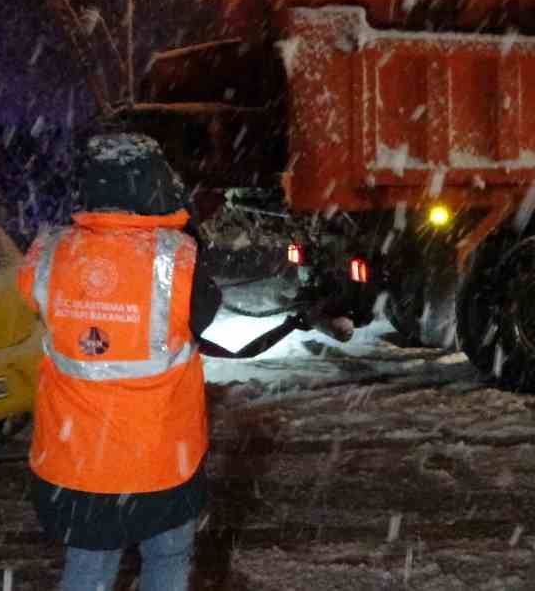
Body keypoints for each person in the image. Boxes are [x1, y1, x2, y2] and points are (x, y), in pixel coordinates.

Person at [22, 133, 346, 591]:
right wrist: (180, 226)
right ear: (155, 185)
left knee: (88, 569)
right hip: (161, 463)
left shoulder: (47, 254)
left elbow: (37, 295)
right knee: (168, 561)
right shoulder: (176, 259)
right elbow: (202, 311)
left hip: (76, 464)